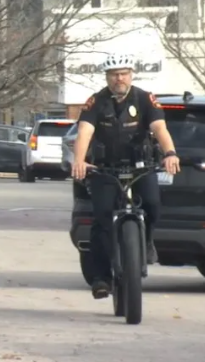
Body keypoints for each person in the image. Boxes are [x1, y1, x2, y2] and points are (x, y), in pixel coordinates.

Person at [70, 52, 181, 300]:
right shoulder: (96, 102)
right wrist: (79, 160)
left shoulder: (144, 99)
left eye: (123, 74)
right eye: (114, 74)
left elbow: (159, 128)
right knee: (101, 219)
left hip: (140, 166)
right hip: (105, 169)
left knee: (152, 204)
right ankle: (101, 279)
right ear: (107, 77)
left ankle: (147, 241)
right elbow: (84, 133)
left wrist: (170, 153)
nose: (119, 78)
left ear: (131, 75)